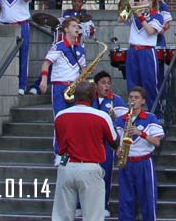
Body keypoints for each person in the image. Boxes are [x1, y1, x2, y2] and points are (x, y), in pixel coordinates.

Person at [51, 80, 118, 221]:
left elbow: (59, 140)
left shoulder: (60, 115)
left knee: (62, 216)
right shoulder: (101, 116)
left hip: (66, 166)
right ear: (94, 96)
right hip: (89, 167)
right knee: (93, 217)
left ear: (74, 96)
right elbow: (114, 142)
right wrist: (112, 122)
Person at [38, 17, 87, 163]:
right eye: (73, 26)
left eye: (78, 26)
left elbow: (83, 68)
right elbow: (46, 63)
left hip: (75, 87)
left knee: (76, 120)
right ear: (66, 29)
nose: (77, 28)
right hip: (60, 86)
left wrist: (85, 80)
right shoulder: (58, 46)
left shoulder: (80, 48)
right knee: (60, 119)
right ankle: (59, 152)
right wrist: (44, 79)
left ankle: (73, 151)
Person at [116, 85, 164, 221]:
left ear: (143, 101)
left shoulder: (150, 118)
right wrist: (117, 149)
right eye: (131, 97)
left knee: (148, 199)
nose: (133, 100)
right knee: (125, 200)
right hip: (126, 162)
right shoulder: (121, 120)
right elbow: (115, 141)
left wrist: (140, 133)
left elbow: (157, 142)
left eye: (136, 98)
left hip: (144, 162)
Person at [92, 71, 128, 211]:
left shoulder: (116, 100)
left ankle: (103, 205)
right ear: (96, 86)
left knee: (105, 174)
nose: (106, 86)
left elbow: (126, 121)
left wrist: (115, 120)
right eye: (103, 83)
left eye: (108, 83)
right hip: (91, 142)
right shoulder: (90, 99)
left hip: (107, 143)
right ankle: (80, 205)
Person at [0, 0, 33, 94]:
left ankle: (22, 86)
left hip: (22, 25)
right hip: (6, 26)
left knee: (23, 55)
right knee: (5, 56)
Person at [125, 0, 164, 109]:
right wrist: (127, 8)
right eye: (139, 0)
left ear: (149, 3)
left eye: (142, 0)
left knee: (150, 83)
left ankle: (155, 111)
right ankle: (133, 111)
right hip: (133, 51)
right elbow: (120, 19)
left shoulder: (157, 16)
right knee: (132, 83)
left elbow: (150, 31)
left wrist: (141, 17)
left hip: (147, 52)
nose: (139, 2)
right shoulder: (134, 14)